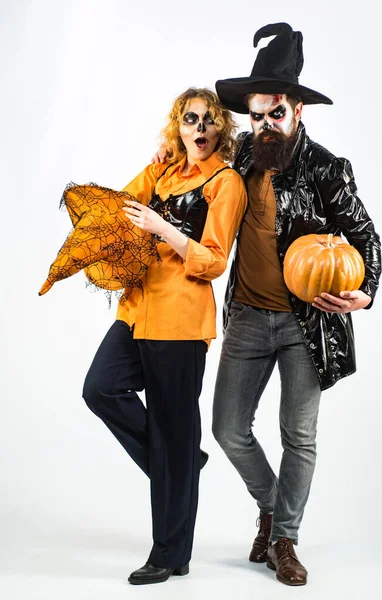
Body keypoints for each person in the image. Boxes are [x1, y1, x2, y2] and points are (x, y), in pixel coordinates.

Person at [211, 22, 382, 586]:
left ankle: (284, 537)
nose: (265, 125)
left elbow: (365, 237)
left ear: (297, 111)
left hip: (308, 323)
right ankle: (272, 508)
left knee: (298, 436)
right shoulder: (236, 157)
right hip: (247, 317)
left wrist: (366, 290)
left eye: (276, 114)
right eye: (256, 115)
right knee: (229, 429)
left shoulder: (327, 169)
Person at [81, 87, 247, 585]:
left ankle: (170, 553)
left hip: (179, 320)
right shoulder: (163, 172)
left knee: (175, 431)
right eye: (189, 119)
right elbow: (120, 209)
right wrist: (155, 167)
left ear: (221, 129)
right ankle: (179, 458)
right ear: (178, 126)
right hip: (136, 310)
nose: (199, 128)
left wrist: (165, 228)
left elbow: (214, 260)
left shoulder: (226, 182)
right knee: (101, 388)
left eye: (209, 121)